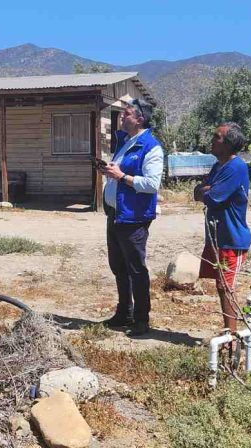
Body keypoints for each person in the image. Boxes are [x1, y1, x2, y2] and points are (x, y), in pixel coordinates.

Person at [100, 98, 164, 336]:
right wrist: (109, 170)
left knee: (136, 268)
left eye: (126, 113)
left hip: (134, 217)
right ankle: (124, 312)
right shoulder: (126, 142)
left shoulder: (151, 147)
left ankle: (141, 319)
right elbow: (118, 172)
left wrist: (121, 176)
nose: (122, 117)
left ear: (140, 118)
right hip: (116, 213)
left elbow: (151, 184)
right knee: (118, 266)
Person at [194, 122, 251, 334]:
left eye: (217, 137)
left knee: (226, 286)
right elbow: (198, 191)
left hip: (232, 238)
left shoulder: (237, 167)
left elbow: (214, 197)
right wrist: (205, 190)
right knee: (220, 286)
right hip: (217, 237)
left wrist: (206, 191)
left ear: (228, 144)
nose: (212, 140)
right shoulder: (218, 166)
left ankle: (232, 335)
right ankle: (230, 332)